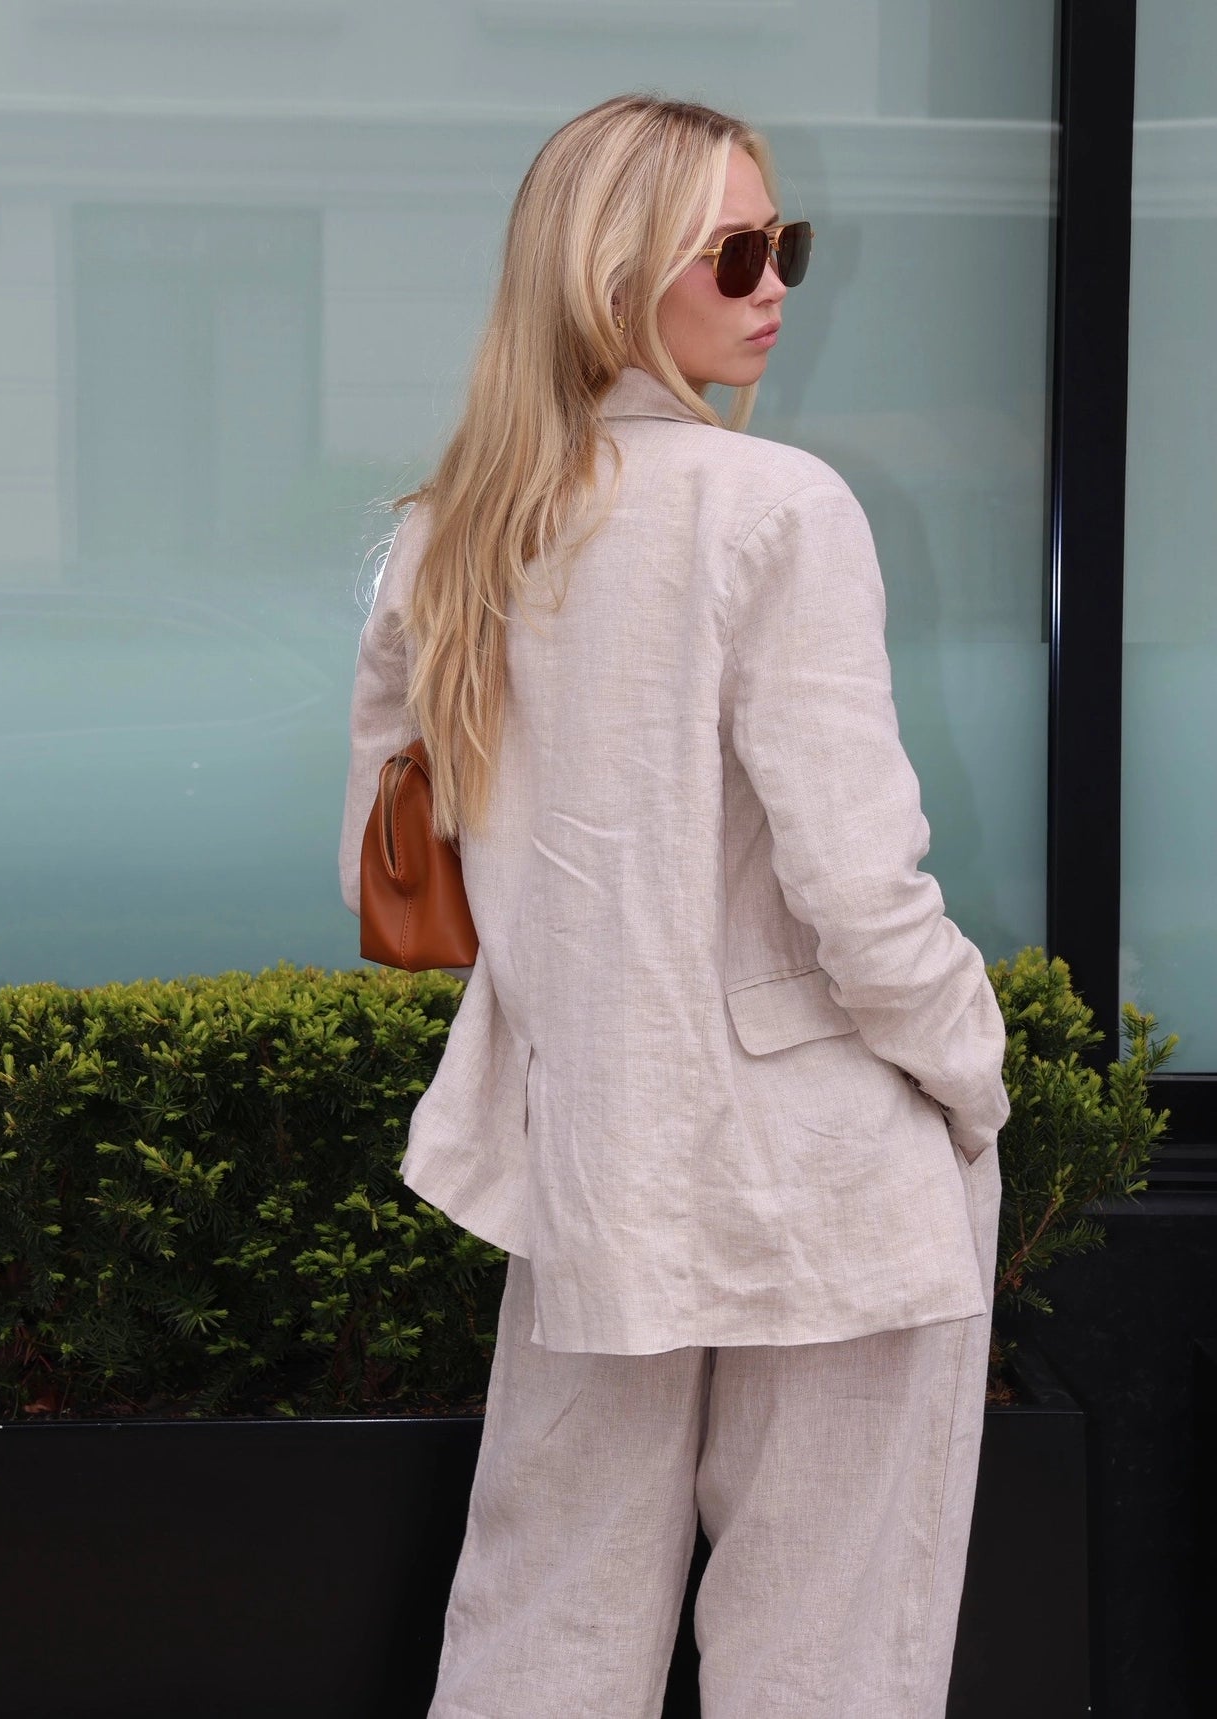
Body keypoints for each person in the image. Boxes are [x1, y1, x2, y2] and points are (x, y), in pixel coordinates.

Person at [338, 92, 1008, 1719]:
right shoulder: (777, 508)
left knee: (543, 1617)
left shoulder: (443, 540)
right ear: (612, 275)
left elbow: (391, 866)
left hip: (587, 1148)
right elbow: (860, 885)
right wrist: (969, 1069)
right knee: (831, 1639)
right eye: (737, 252)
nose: (777, 284)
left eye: (787, 245)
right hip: (826, 1149)